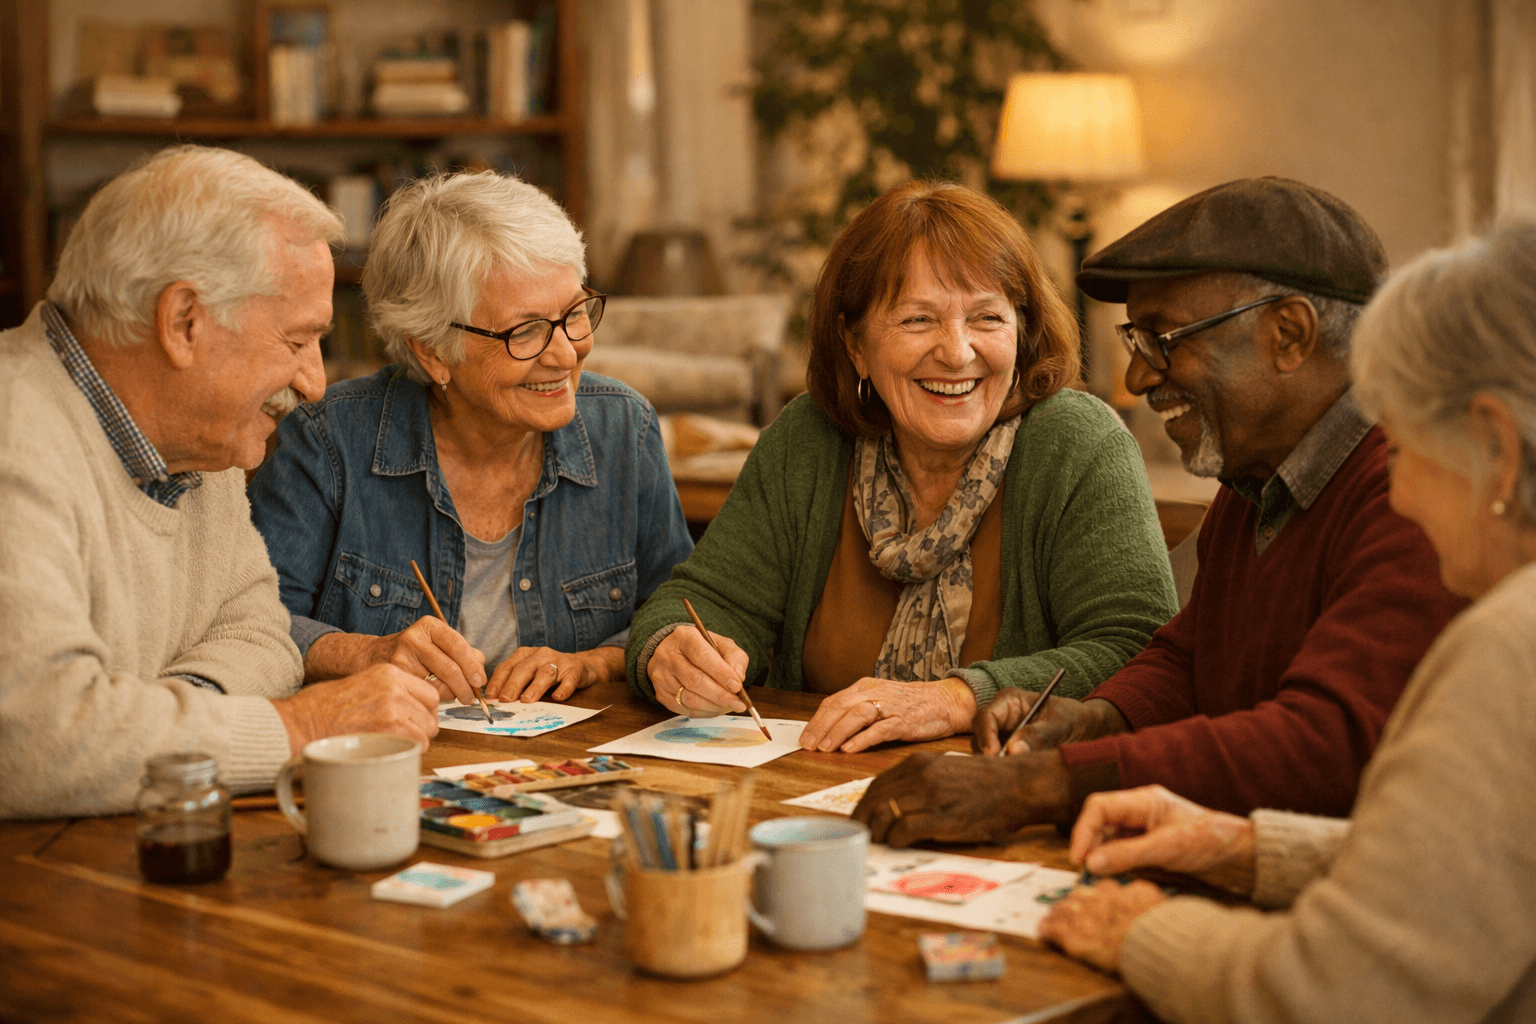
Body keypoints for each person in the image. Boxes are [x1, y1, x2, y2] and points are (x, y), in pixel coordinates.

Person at [855, 177, 1465, 841]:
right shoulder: (1256, 479)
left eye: (1162, 340)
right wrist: (1093, 719)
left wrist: (1040, 785)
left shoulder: (1417, 491)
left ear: (1289, 334)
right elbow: (1188, 661)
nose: (1139, 377)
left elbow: (1325, 744)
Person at [1038, 218, 1536, 1024]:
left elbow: (1343, 988)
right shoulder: (1252, 481)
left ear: (1497, 450)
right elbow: (1474, 863)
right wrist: (1246, 850)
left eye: (1407, 448)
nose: (1399, 489)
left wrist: (1146, 931)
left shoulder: (1513, 647)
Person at [626, 180, 1179, 752]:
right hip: (813, 794)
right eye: (918, 320)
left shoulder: (1079, 445)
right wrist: (672, 649)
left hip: (1011, 805)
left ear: (1023, 330)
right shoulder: (809, 440)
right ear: (856, 344)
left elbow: (1138, 653)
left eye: (987, 318)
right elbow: (698, 602)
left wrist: (956, 699)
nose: (957, 351)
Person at [0, 146, 441, 818]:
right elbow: (37, 739)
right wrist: (301, 729)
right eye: (297, 341)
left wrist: (146, 725)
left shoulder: (203, 445)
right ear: (184, 322)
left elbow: (263, 633)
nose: (315, 384)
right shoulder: (15, 433)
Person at [249, 171, 693, 708]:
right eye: (524, 330)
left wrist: (591, 663)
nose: (567, 353)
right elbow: (255, 627)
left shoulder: (625, 429)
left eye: (574, 314)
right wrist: (365, 653)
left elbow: (674, 614)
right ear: (434, 351)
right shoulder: (329, 442)